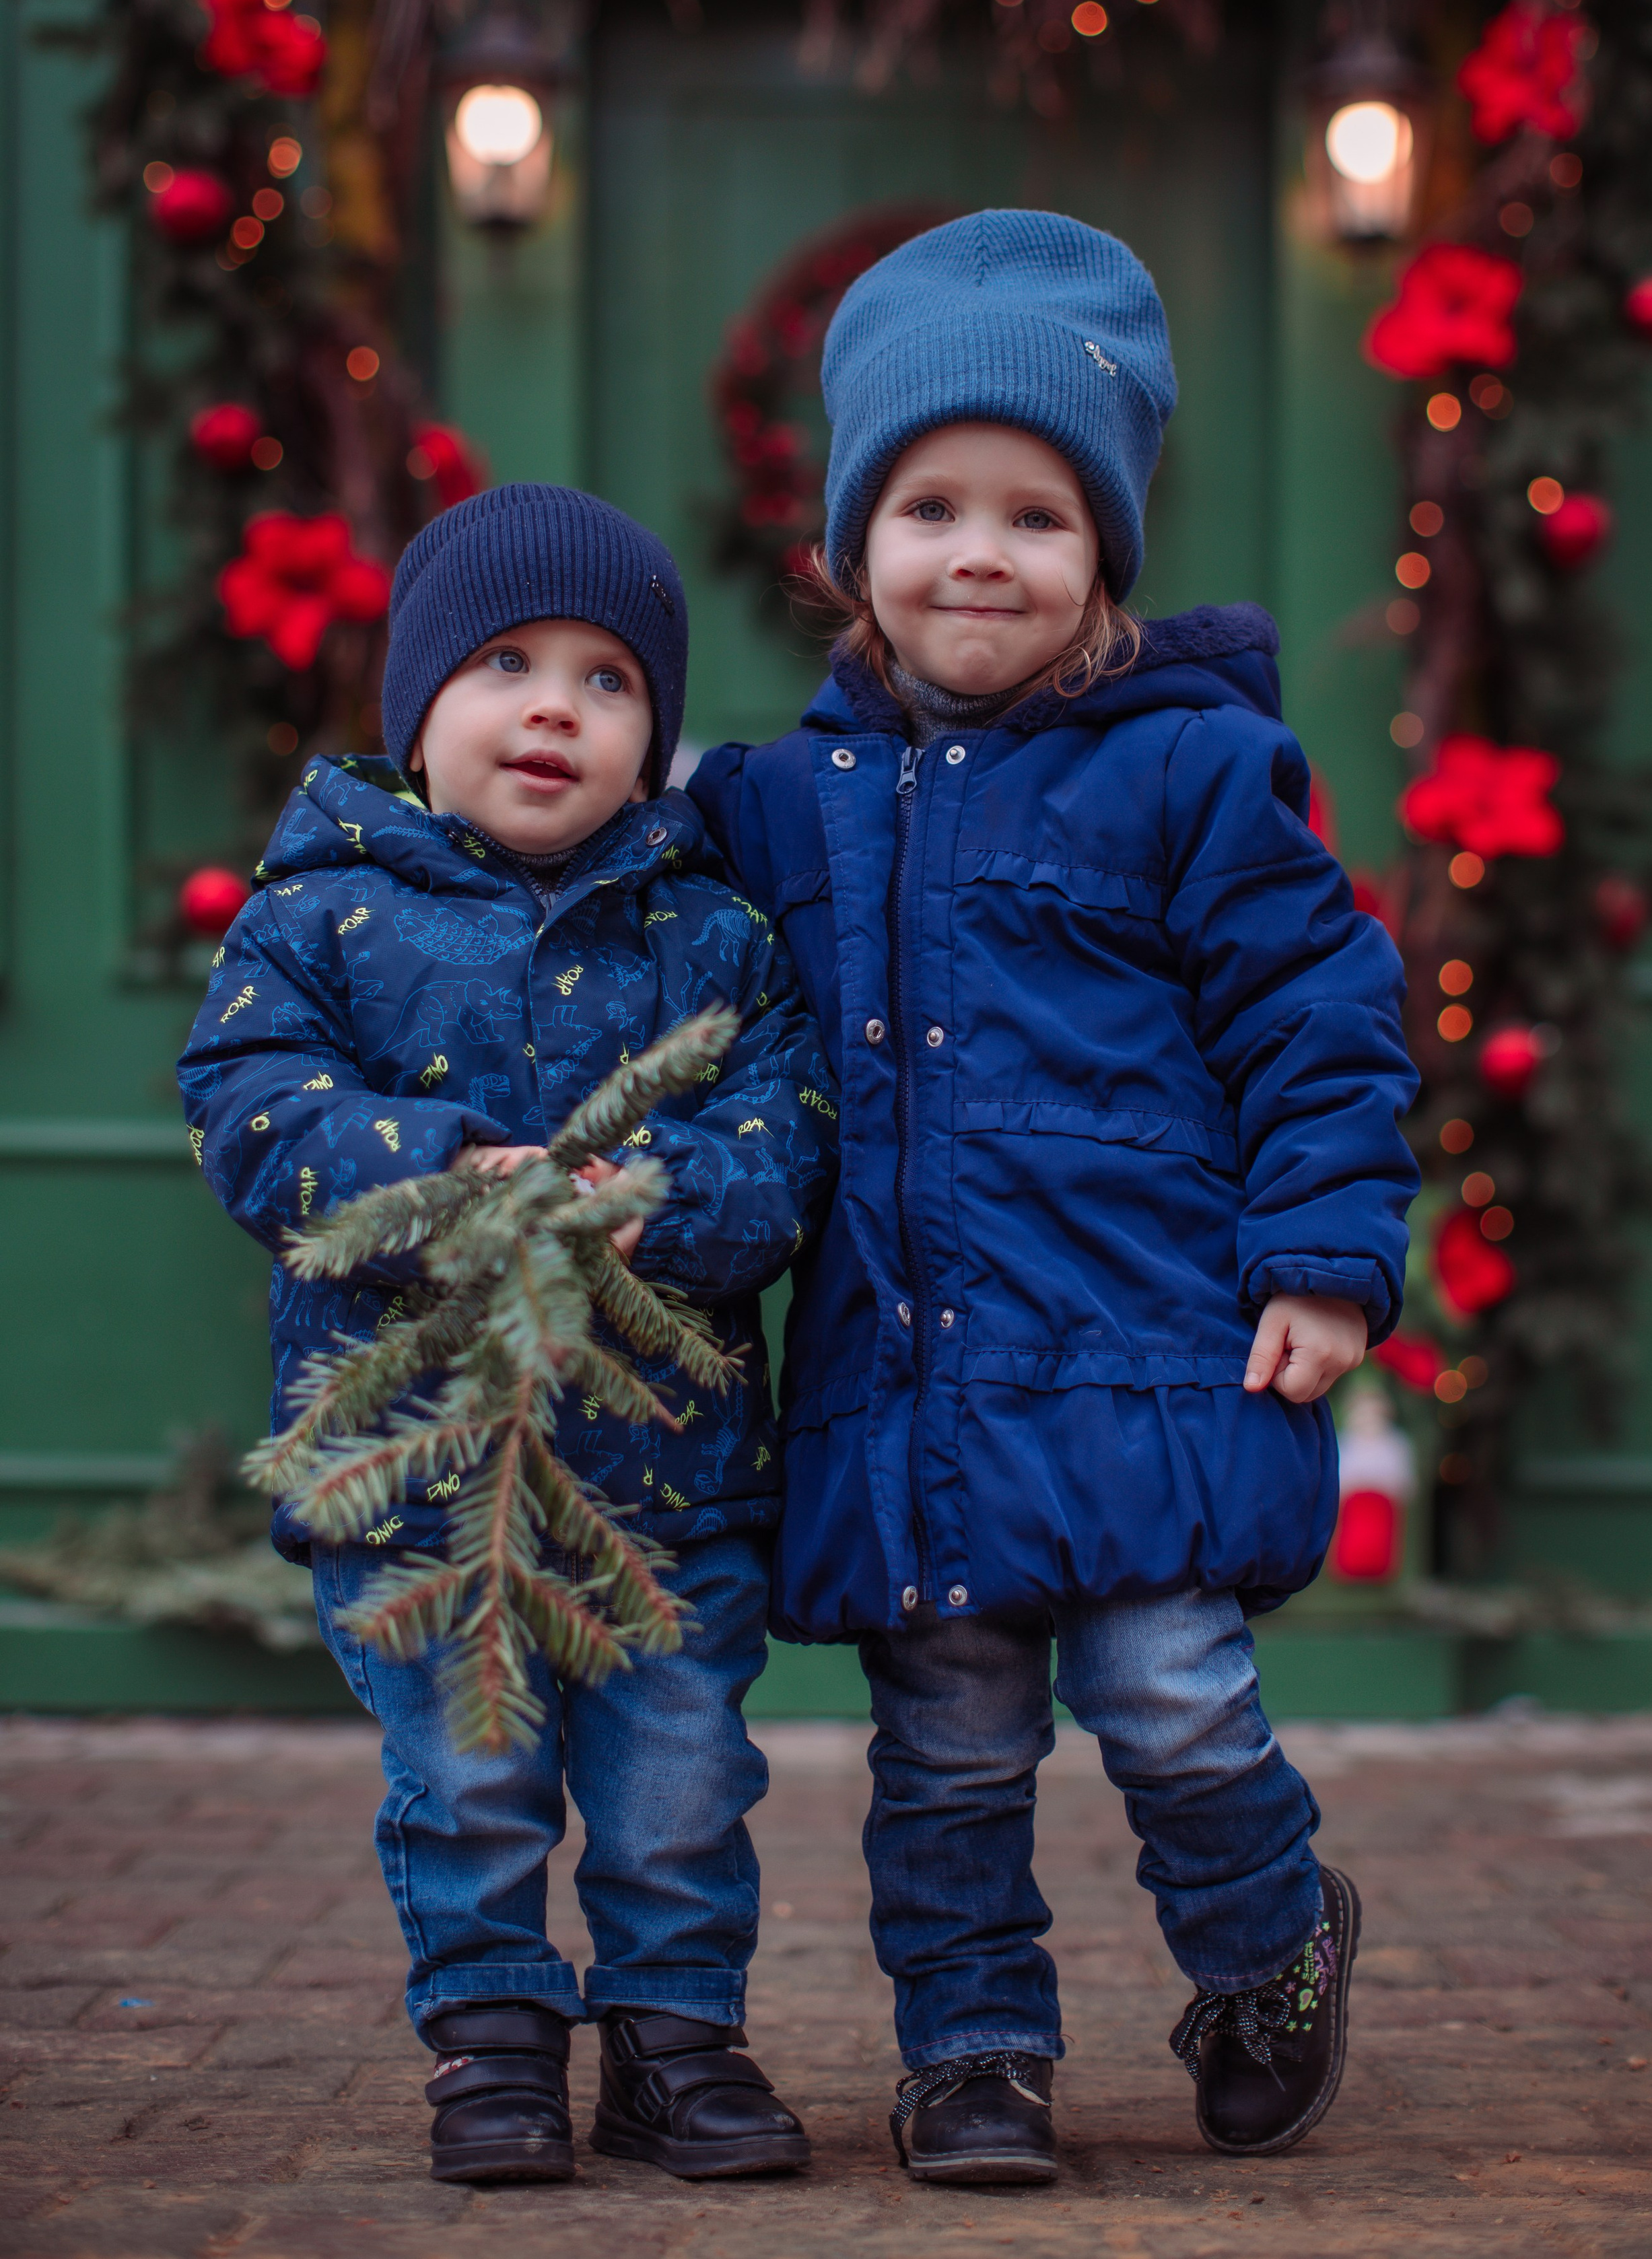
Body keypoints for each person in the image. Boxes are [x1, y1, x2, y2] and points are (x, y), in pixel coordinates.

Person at [688, 212, 1420, 2184]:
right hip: (915, 1379)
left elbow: (1318, 1018)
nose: (982, 552)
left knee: (1173, 1699)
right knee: (945, 1754)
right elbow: (638, 932)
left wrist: (1331, 1258)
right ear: (852, 545)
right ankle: (975, 2051)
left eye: (1038, 512)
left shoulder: (1193, 770)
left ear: (1106, 554)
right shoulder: (778, 804)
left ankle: (1269, 1949)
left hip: (1148, 1355)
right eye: (929, 505)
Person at [180, 484, 839, 2188]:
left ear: (653, 737)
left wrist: (659, 1188)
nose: (556, 706)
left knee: (681, 1784)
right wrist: (430, 1167)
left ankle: (676, 2048)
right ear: (417, 707)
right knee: (467, 1781)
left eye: (610, 680)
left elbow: (786, 1142)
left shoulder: (714, 935)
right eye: (504, 663)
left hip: (664, 1484)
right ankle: (489, 2046)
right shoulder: (321, 908)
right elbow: (249, 1105)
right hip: (420, 1478)